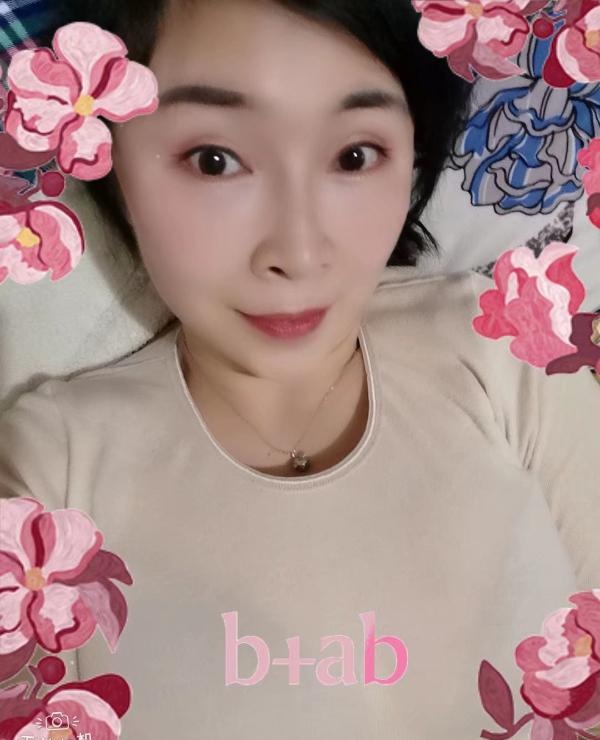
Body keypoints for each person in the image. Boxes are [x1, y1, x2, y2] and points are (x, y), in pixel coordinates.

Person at [1, 0, 599, 737]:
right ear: (108, 157)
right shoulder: (54, 469)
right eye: (215, 160)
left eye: (355, 156)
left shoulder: (504, 344)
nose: (299, 252)